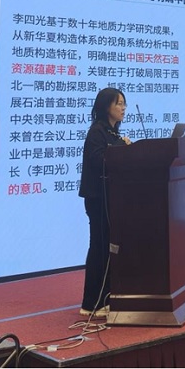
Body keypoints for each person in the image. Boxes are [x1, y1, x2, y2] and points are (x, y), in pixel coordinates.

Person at [78, 87, 131, 319]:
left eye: (124, 103)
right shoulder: (97, 132)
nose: (123, 108)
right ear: (106, 106)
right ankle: (91, 303)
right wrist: (121, 147)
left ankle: (106, 298)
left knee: (108, 249)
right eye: (119, 103)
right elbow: (99, 160)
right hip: (98, 199)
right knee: (99, 248)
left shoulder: (112, 132)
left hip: (112, 198)